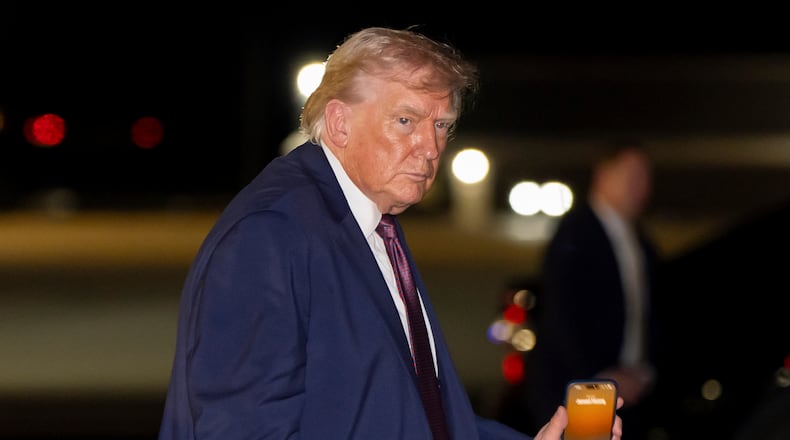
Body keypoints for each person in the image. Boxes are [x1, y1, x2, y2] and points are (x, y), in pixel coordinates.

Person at [156, 26, 623, 440]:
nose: (430, 148)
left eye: (442, 126)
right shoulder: (270, 234)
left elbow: (418, 417)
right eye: (406, 121)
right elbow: (241, 429)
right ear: (340, 123)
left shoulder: (372, 223)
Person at [519, 141, 661, 438]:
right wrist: (599, 375)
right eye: (632, 176)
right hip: (578, 389)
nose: (641, 187)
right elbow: (562, 312)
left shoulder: (643, 244)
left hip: (627, 393)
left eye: (645, 178)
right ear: (603, 176)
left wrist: (643, 372)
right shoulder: (576, 233)